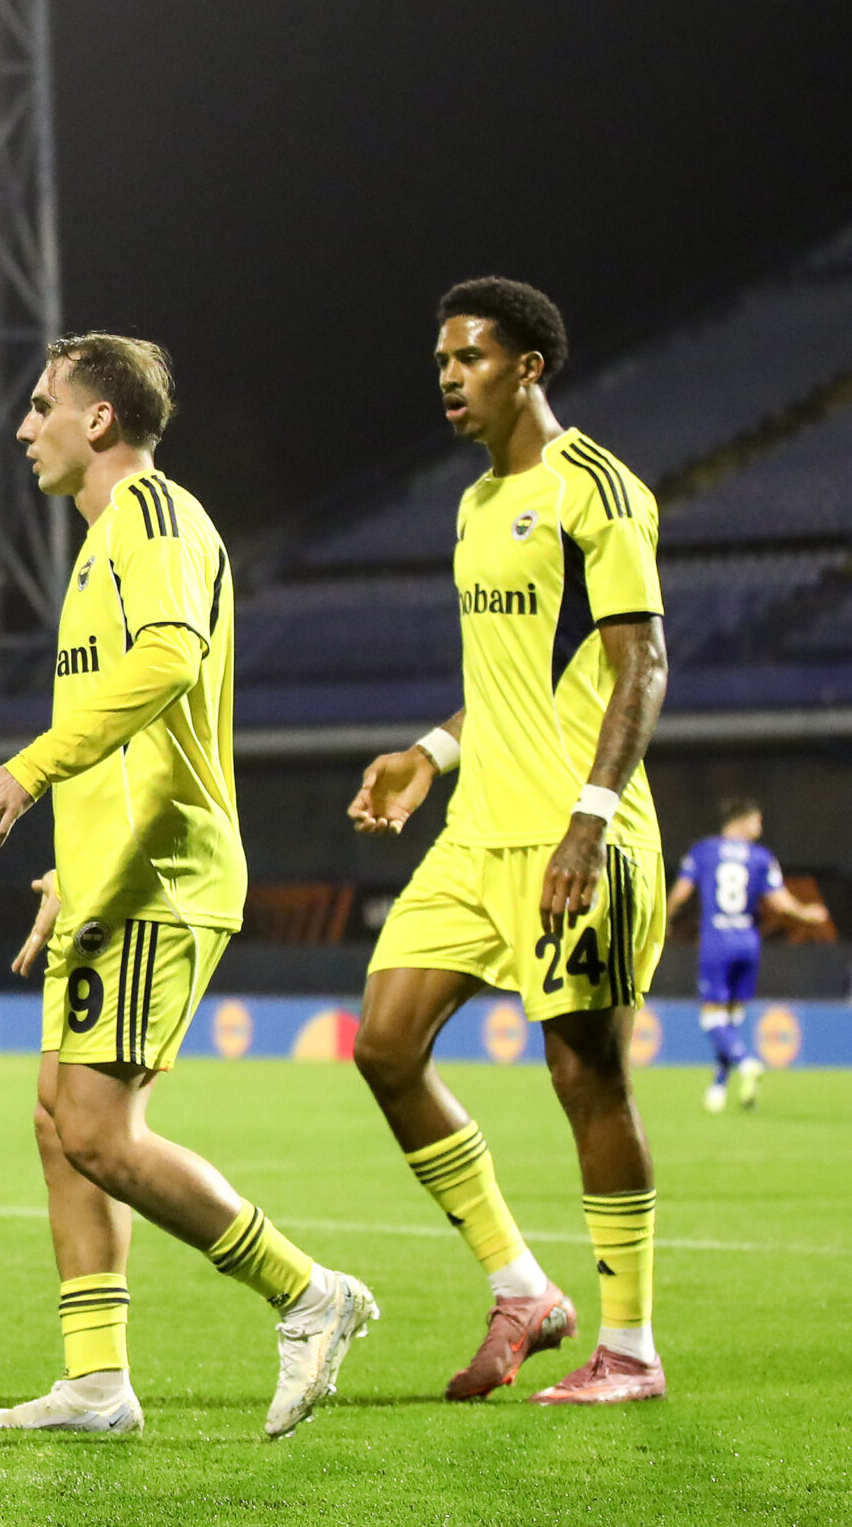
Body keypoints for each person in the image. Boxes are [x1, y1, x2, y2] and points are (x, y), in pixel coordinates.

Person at [0, 335, 376, 1441]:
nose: (22, 426)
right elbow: (129, 735)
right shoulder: (99, 544)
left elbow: (168, 662)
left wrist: (25, 765)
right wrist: (65, 864)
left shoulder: (153, 519)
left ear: (97, 421)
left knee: (96, 1127)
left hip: (164, 875)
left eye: (40, 405)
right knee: (57, 1122)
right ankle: (95, 1380)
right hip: (110, 875)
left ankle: (308, 1292)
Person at [346, 277, 672, 1407]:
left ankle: (628, 1347)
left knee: (585, 1071)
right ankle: (521, 1285)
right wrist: (426, 756)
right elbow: (508, 681)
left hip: (572, 832)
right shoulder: (475, 505)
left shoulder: (598, 490)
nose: (448, 373)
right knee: (383, 1043)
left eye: (471, 355)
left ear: (528, 365)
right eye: (440, 357)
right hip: (475, 829)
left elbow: (642, 663)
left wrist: (588, 816)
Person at [667, 797, 824, 1111]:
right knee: (732, 1019)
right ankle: (719, 1087)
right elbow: (781, 905)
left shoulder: (704, 851)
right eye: (756, 820)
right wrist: (808, 914)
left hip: (716, 943)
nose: (760, 827)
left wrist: (665, 918)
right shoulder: (761, 858)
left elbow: (681, 894)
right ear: (740, 820)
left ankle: (745, 1061)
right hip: (747, 944)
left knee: (713, 1019)